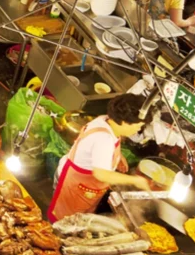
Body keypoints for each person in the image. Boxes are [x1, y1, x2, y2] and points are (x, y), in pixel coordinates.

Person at [49, 94, 151, 222]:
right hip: (74, 186)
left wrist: (117, 156)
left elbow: (100, 147)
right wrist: (135, 180)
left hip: (83, 186)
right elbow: (101, 174)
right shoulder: (104, 139)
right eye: (138, 126)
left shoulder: (106, 120)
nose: (138, 129)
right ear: (125, 122)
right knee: (65, 222)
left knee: (78, 219)